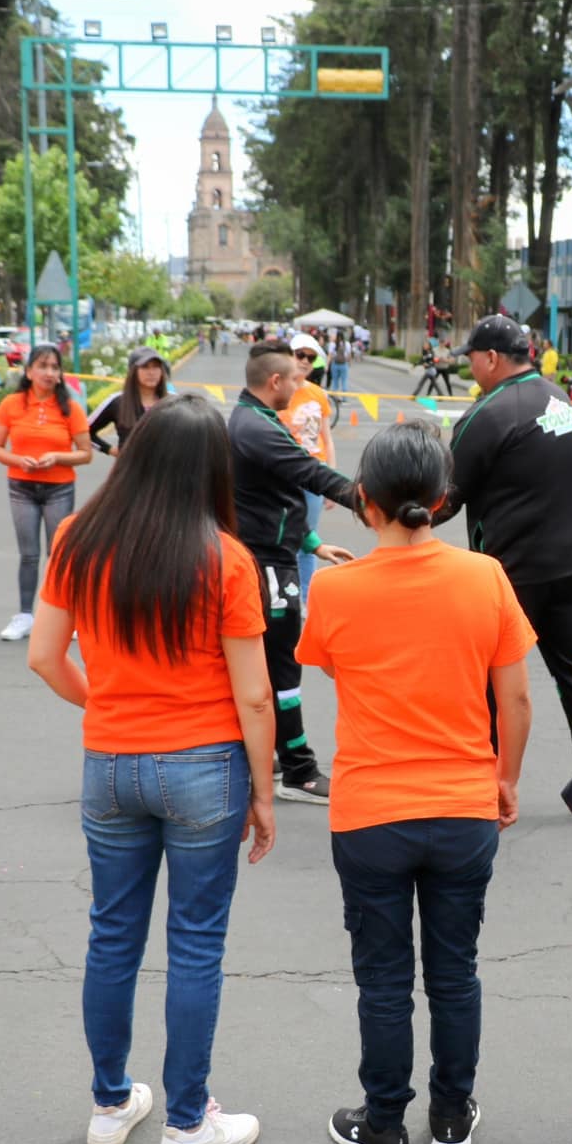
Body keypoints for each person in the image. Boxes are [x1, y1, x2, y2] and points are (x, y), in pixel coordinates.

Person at [27, 395, 276, 1144]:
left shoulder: (76, 538)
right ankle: (187, 1122)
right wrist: (264, 794)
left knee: (112, 934)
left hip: (109, 764)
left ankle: (109, 1103)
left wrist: (104, 703)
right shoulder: (226, 558)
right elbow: (256, 696)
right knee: (196, 945)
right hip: (204, 767)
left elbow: (42, 655)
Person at [297, 419, 532, 1144]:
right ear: (441, 498)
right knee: (455, 971)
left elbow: (337, 668)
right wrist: (505, 780)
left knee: (384, 979)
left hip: (371, 812)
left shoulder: (334, 588)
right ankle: (453, 1115)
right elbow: (517, 703)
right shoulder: (485, 575)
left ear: (363, 500)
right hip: (464, 802)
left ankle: (386, 1123)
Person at [437, 314, 572, 762]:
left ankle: (483, 781)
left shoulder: (488, 415)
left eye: (471, 359)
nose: (470, 369)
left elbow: (447, 497)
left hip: (511, 573)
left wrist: (398, 516)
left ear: (491, 358)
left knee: (489, 679)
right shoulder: (558, 398)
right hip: (571, 563)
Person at [228, 341, 359, 803]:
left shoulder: (256, 421)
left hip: (274, 554)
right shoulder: (256, 427)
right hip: (264, 562)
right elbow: (310, 473)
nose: (301, 385)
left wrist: (314, 544)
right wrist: (370, 500)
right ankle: (299, 770)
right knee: (282, 665)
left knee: (272, 663)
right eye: (295, 378)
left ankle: (276, 754)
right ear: (275, 382)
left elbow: (274, 497)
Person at [0, 344, 92, 642]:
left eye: (54, 367)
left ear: (60, 374)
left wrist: (57, 457)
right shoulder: (12, 404)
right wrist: (17, 460)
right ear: (29, 371)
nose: (49, 372)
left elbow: (85, 453)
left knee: (58, 553)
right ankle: (24, 615)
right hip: (21, 487)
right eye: (43, 366)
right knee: (29, 555)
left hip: (59, 487)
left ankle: (65, 616)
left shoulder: (70, 407)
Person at [287, 334, 339, 601]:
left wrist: (330, 482)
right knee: (285, 538)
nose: (305, 361)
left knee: (309, 543)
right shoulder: (278, 389)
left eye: (310, 356)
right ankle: (285, 593)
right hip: (284, 475)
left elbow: (326, 438)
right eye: (300, 355)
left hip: (313, 474)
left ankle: (304, 600)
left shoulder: (318, 394)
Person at [87, 346, 171, 456]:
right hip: (129, 471)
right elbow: (84, 432)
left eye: (156, 367)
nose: (151, 372)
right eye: (145, 367)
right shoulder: (117, 401)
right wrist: (110, 450)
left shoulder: (174, 402)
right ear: (133, 371)